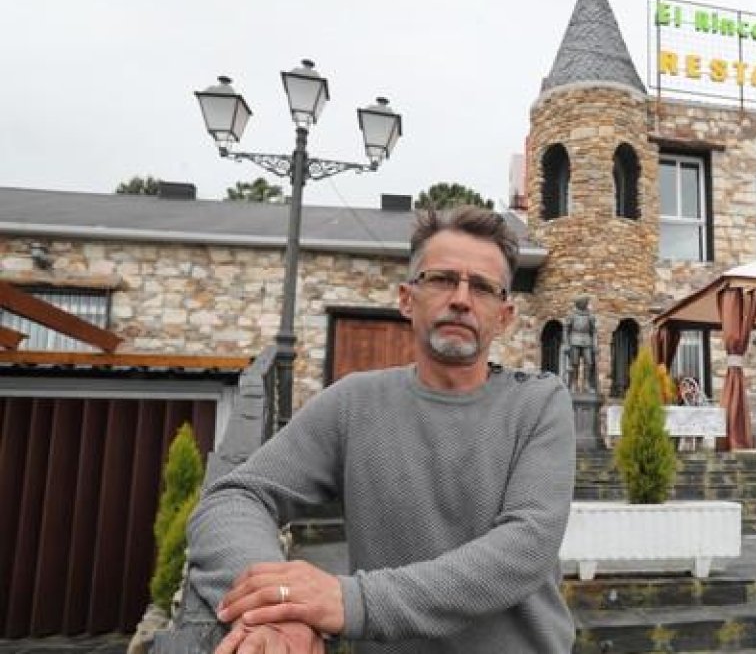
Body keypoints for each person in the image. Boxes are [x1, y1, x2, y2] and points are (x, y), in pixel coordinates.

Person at [186, 206, 577, 653]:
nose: (462, 299)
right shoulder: (355, 403)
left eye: (483, 288)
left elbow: (525, 548)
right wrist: (275, 607)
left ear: (504, 316)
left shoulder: (539, 404)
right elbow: (235, 497)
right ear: (407, 299)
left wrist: (351, 600)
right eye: (443, 279)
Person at [563, 295, 597, 394]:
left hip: (587, 340)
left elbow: (594, 331)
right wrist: (566, 343)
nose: (587, 304)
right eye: (585, 302)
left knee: (589, 362)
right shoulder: (572, 315)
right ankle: (574, 383)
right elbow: (566, 329)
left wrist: (595, 344)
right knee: (574, 363)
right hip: (575, 339)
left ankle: (586, 383)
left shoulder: (590, 316)